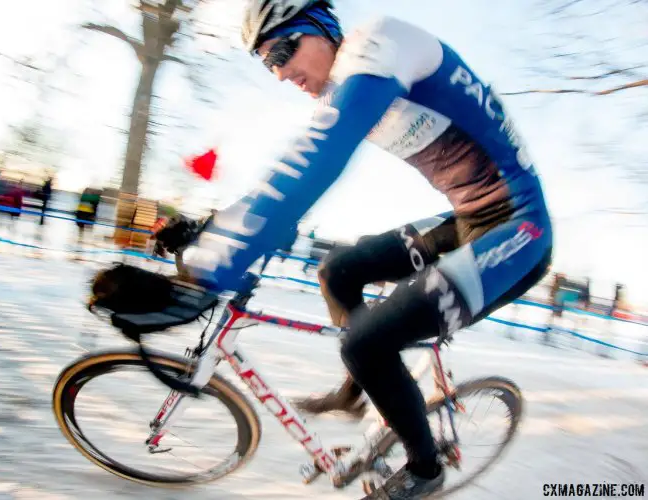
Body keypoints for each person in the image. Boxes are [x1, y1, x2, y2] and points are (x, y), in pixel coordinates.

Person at [156, 2, 553, 498]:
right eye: (266, 64)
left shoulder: (380, 45)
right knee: (338, 271)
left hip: (520, 229)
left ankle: (425, 470)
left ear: (322, 28)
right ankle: (358, 392)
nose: (279, 73)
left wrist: (215, 266)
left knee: (366, 343)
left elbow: (318, 161)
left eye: (282, 51)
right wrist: (211, 228)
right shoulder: (344, 91)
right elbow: (289, 178)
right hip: (469, 219)